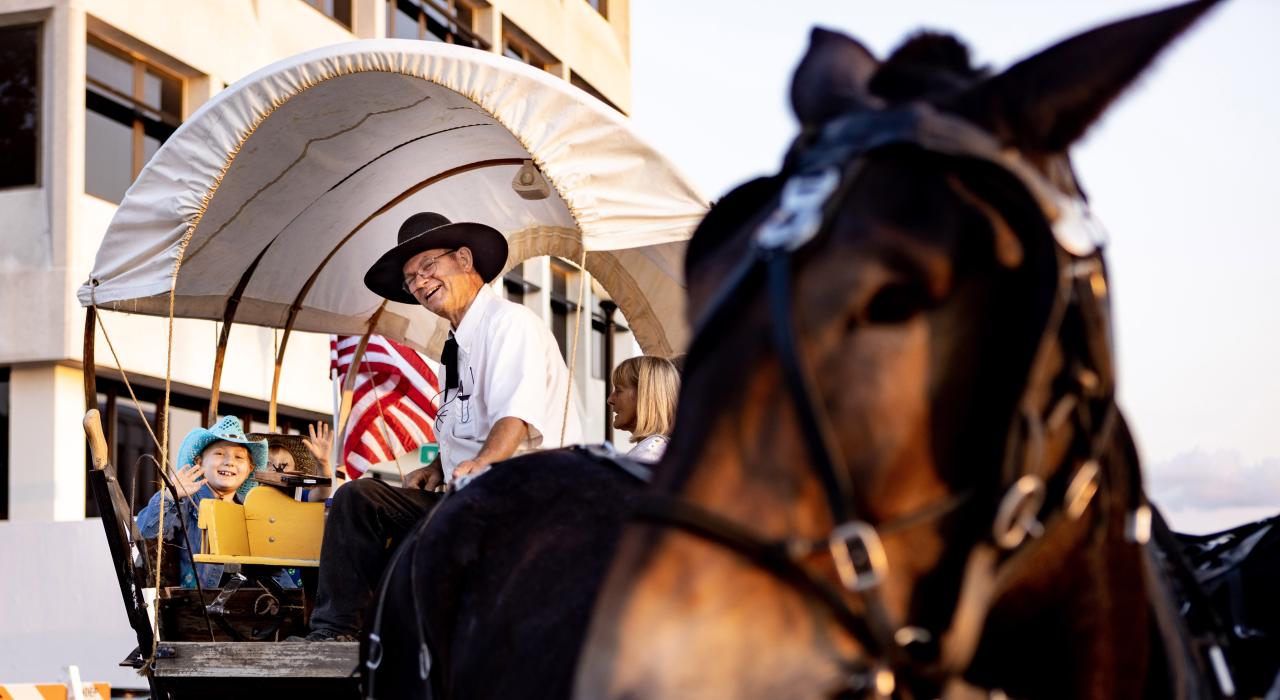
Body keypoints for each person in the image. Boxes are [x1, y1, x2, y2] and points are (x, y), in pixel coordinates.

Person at [298, 211, 585, 642]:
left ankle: (359, 630)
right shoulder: (454, 348)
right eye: (410, 278)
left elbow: (515, 414)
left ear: (465, 259)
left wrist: (483, 461)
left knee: (362, 501)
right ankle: (340, 632)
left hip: (521, 504)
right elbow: (464, 428)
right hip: (468, 501)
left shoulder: (511, 324)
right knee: (357, 498)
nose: (418, 282)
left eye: (428, 266)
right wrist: (436, 469)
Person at [136, 416, 298, 590]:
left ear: (249, 469)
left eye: (239, 457)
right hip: (197, 607)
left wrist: (294, 601)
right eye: (219, 453)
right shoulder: (186, 501)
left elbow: (273, 569)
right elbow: (147, 532)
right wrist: (169, 495)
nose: (229, 462)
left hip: (246, 607)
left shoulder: (252, 511)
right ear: (199, 462)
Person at [607, 356, 680, 463]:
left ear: (644, 395)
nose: (610, 399)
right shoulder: (662, 453)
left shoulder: (648, 456)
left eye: (618, 390)